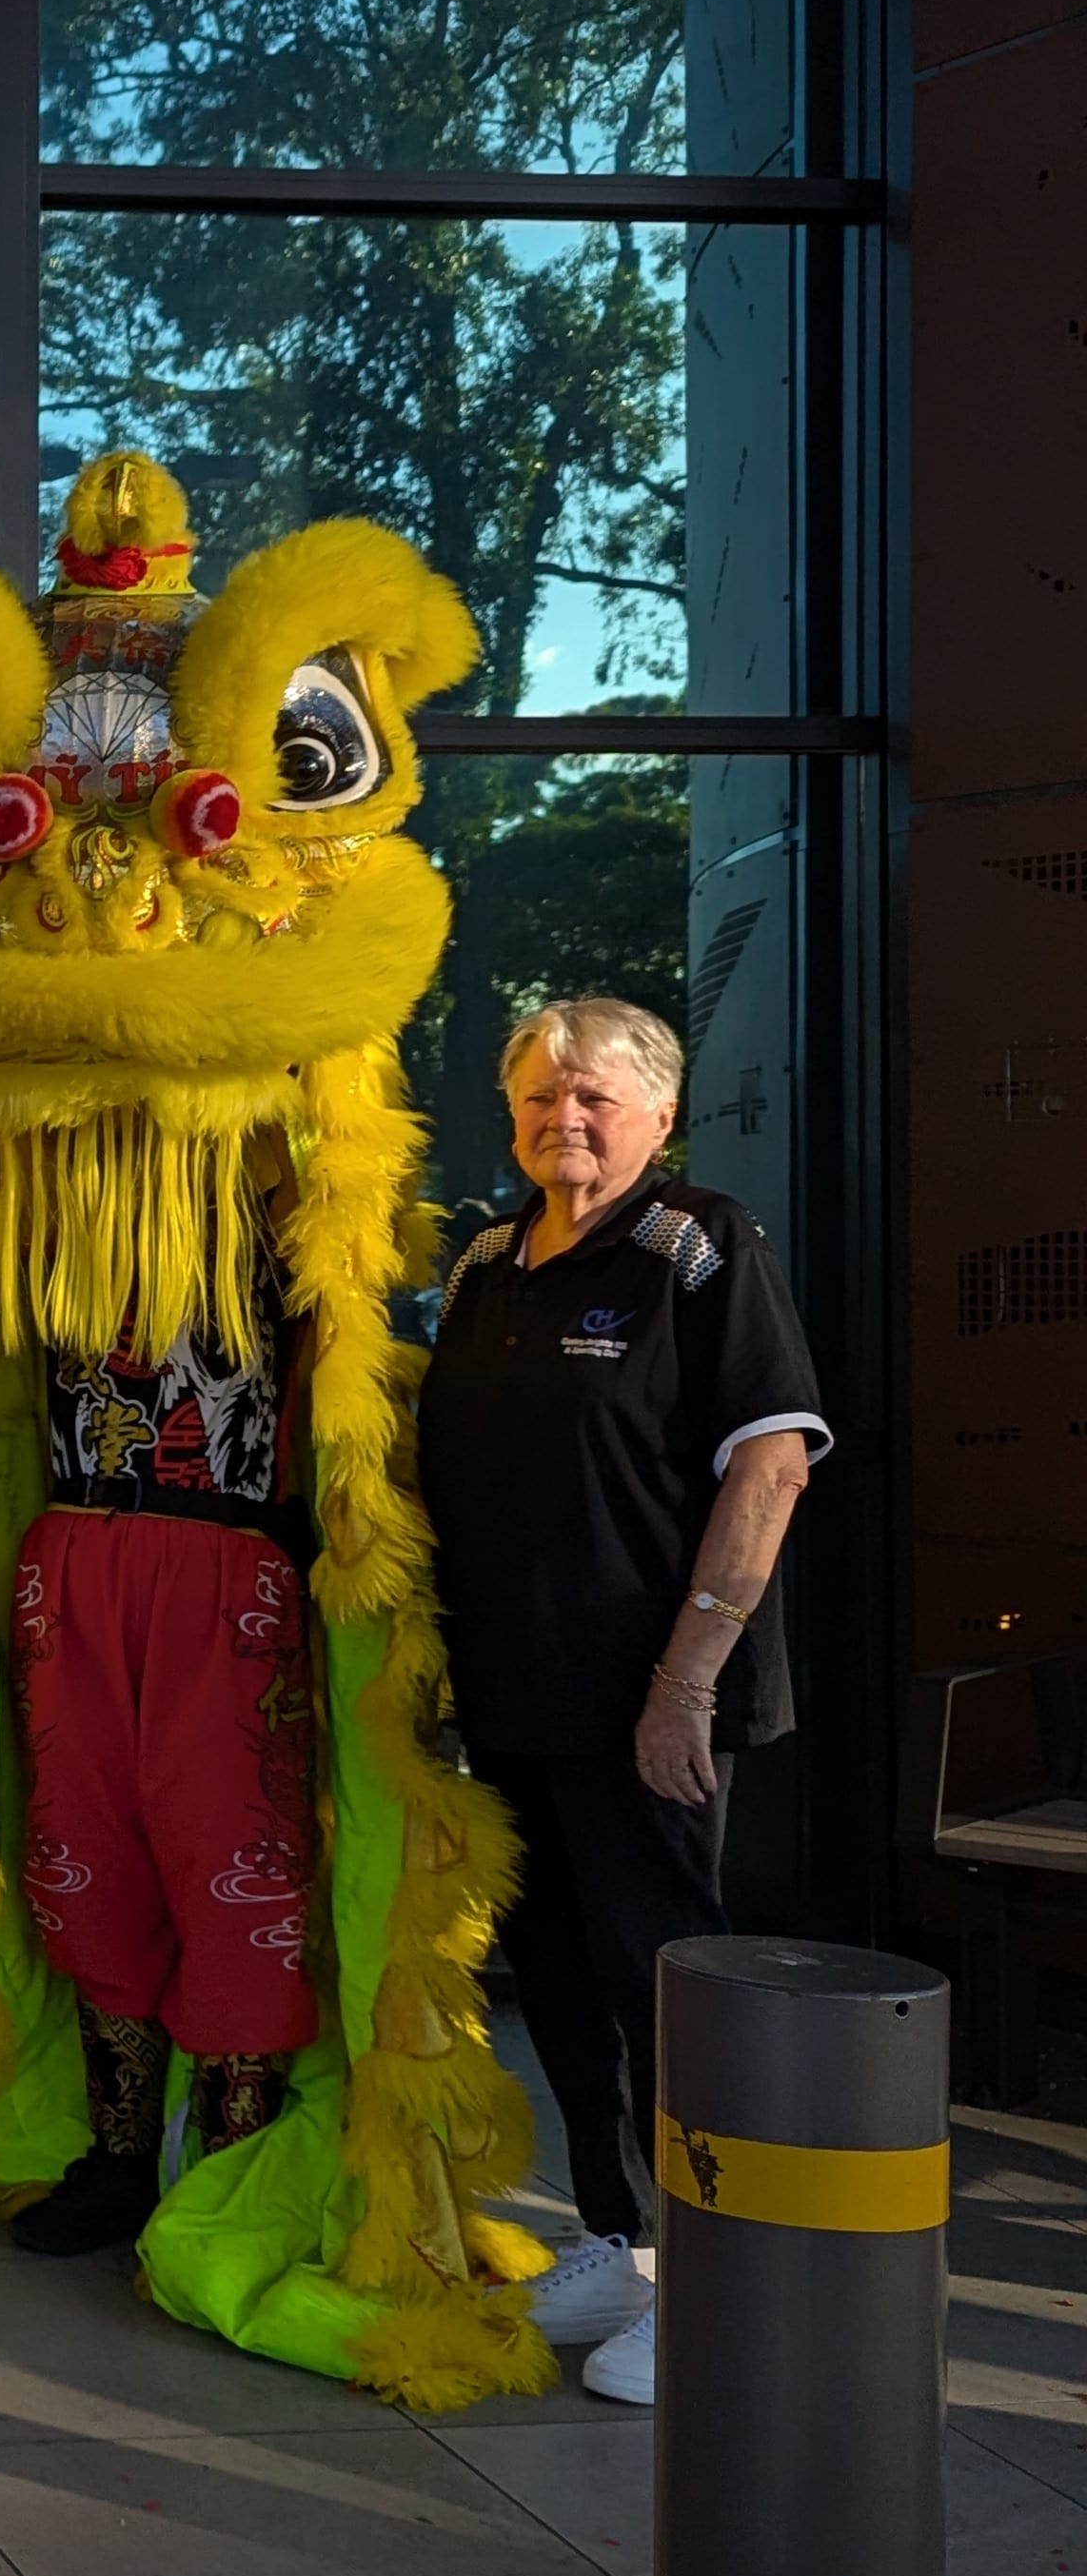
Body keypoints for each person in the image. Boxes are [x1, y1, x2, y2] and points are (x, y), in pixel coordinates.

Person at [418, 997, 824, 2408]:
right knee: (558, 1978)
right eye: (539, 1095)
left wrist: (684, 1685)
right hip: (511, 1695)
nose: (564, 1118)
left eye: (593, 1095)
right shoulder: (486, 1261)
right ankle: (610, 2236)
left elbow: (771, 1465)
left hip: (647, 1701)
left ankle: (706, 2285)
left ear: (660, 1112)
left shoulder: (699, 1246)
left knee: (665, 1986)